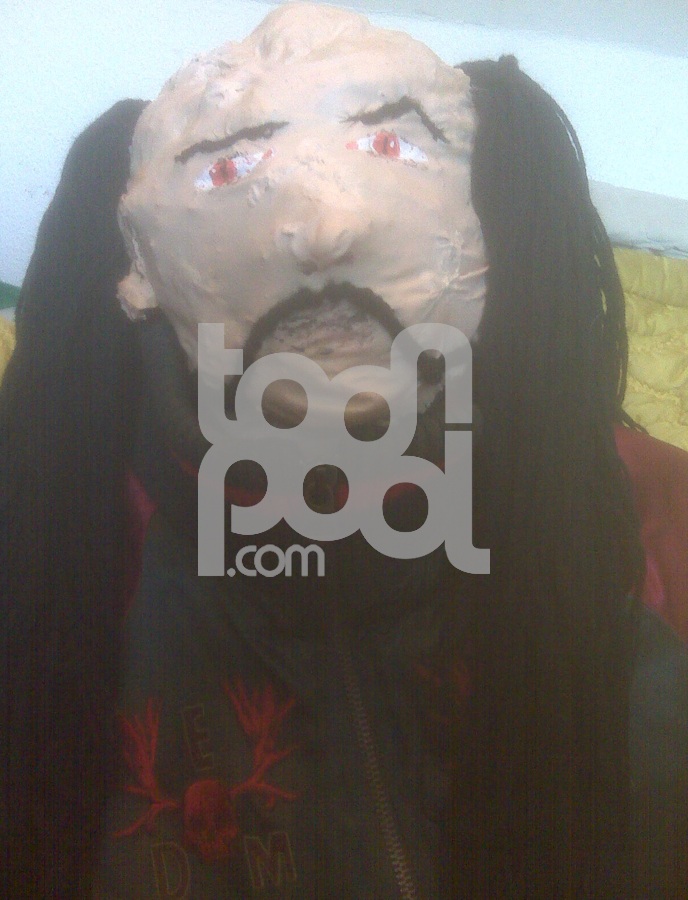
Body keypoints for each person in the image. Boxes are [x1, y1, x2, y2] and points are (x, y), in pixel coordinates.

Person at [1, 4, 686, 897]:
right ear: (138, 259)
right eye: (233, 167)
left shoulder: (640, 519)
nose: (323, 231)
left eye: (390, 148)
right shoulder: (53, 523)